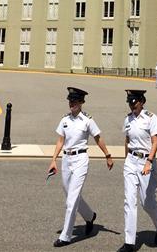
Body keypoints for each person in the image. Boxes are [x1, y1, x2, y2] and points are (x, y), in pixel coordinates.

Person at [48, 87, 115, 247]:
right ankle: (90, 216)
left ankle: (66, 236)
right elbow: (60, 141)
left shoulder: (87, 120)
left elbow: (97, 138)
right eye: (70, 101)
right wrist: (53, 160)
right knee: (69, 194)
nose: (71, 104)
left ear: (81, 102)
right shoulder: (64, 120)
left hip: (80, 160)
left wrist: (107, 155)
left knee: (71, 200)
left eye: (74, 101)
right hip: (66, 159)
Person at [119, 89, 157, 252]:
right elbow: (127, 140)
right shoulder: (128, 119)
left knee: (147, 202)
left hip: (146, 162)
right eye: (129, 103)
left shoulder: (151, 118)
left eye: (134, 102)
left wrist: (149, 161)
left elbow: (155, 141)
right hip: (131, 161)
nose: (132, 105)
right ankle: (129, 243)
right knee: (129, 201)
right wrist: (126, 160)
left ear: (141, 102)